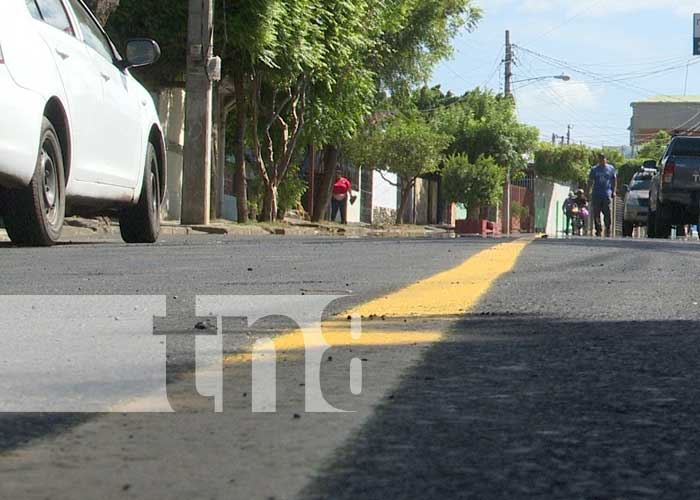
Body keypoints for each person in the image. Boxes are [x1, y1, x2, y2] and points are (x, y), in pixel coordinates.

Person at [587, 153, 617, 237]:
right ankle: (598, 229)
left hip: (606, 194)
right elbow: (590, 181)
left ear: (606, 159)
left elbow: (614, 180)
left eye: (603, 159)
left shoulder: (611, 168)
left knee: (607, 212)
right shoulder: (594, 169)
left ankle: (608, 228)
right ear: (598, 160)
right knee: (596, 213)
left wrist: (613, 191)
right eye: (600, 159)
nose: (602, 161)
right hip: (596, 194)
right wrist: (588, 191)